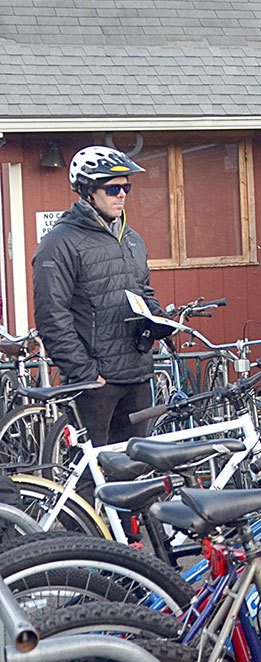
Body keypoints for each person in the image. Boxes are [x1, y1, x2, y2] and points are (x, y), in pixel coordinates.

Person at [33, 146, 163, 446]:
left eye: (126, 187)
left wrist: (161, 323)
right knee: (91, 479)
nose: (122, 195)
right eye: (113, 188)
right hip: (96, 383)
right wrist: (85, 373)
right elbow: (52, 316)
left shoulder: (131, 238)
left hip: (137, 374)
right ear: (88, 191)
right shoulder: (59, 243)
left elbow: (143, 290)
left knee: (136, 473)